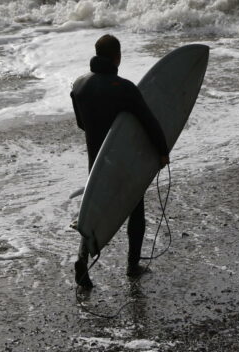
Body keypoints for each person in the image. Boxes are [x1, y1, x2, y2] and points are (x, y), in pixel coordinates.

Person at [71, 34, 170, 287]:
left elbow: (82, 124)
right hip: (124, 163)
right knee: (135, 210)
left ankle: (82, 259)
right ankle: (132, 264)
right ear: (117, 57)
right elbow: (149, 122)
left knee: (92, 213)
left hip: (96, 163)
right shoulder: (124, 89)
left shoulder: (79, 86)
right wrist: (162, 151)